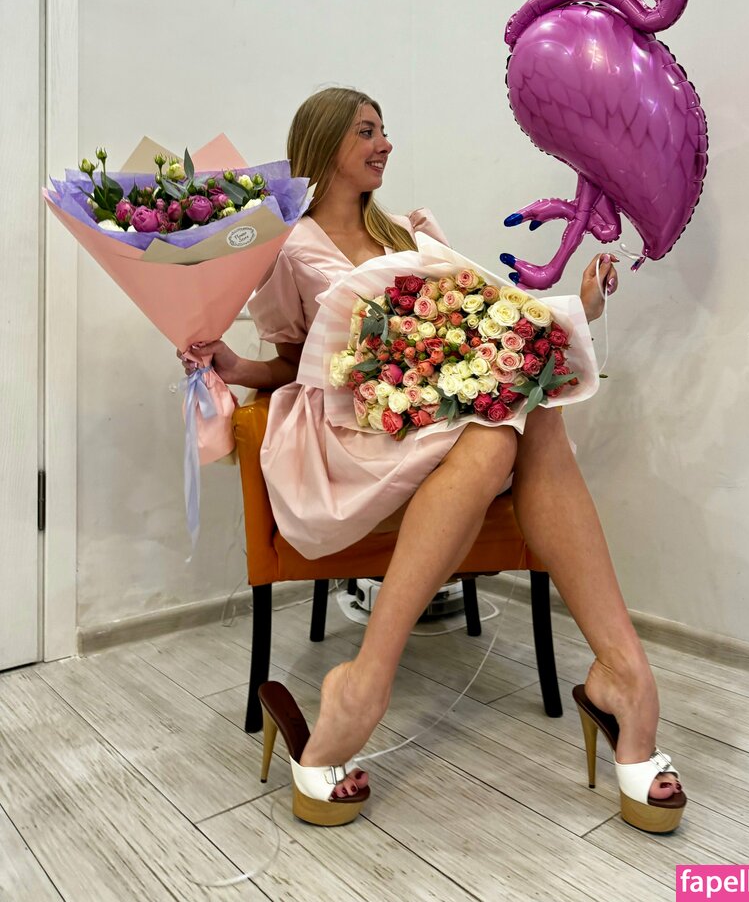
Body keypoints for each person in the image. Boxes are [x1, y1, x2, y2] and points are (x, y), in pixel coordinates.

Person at [181, 86, 685, 833]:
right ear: (324, 143)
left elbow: (481, 323)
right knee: (509, 423)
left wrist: (579, 308)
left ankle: (385, 684)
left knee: (529, 405)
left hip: (435, 412)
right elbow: (294, 360)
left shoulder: (407, 234)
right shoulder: (287, 248)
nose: (384, 143)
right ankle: (619, 680)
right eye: (366, 131)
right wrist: (233, 363)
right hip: (354, 430)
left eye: (384, 130)